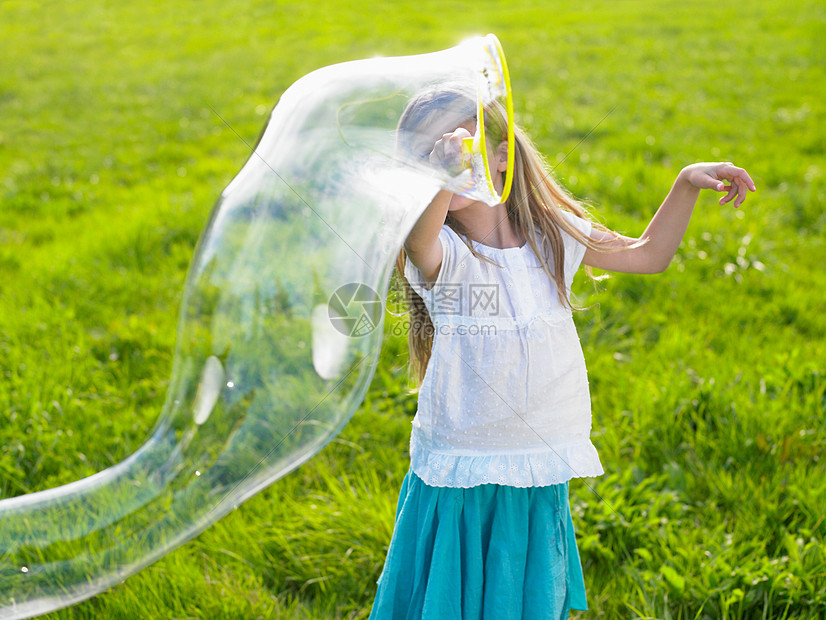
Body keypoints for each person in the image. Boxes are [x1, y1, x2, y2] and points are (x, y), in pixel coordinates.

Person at [370, 87, 755, 619]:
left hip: (533, 462)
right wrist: (446, 175)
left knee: (518, 600)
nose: (448, 158)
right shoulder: (446, 256)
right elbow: (419, 244)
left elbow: (648, 256)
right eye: (429, 156)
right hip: (462, 467)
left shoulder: (553, 236)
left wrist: (686, 180)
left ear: (503, 156)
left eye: (460, 146)